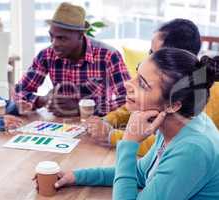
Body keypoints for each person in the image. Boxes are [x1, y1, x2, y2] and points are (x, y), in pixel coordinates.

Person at [51, 48, 219, 199]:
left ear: (173, 105)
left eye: (143, 84)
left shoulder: (192, 149)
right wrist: (76, 176)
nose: (127, 83)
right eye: (137, 75)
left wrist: (128, 142)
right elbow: (140, 173)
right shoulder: (178, 121)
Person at [87, 18, 202, 156]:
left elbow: (165, 147)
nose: (149, 59)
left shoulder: (197, 99)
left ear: (175, 60)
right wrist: (105, 121)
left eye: (154, 54)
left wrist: (112, 136)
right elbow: (136, 105)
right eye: (149, 52)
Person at [14, 2, 130, 117]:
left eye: (62, 38)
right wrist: (43, 100)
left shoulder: (108, 56)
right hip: (58, 125)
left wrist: (82, 108)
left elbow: (129, 100)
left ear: (80, 35)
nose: (54, 44)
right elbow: (19, 91)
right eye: (52, 36)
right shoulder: (46, 55)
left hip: (96, 124)